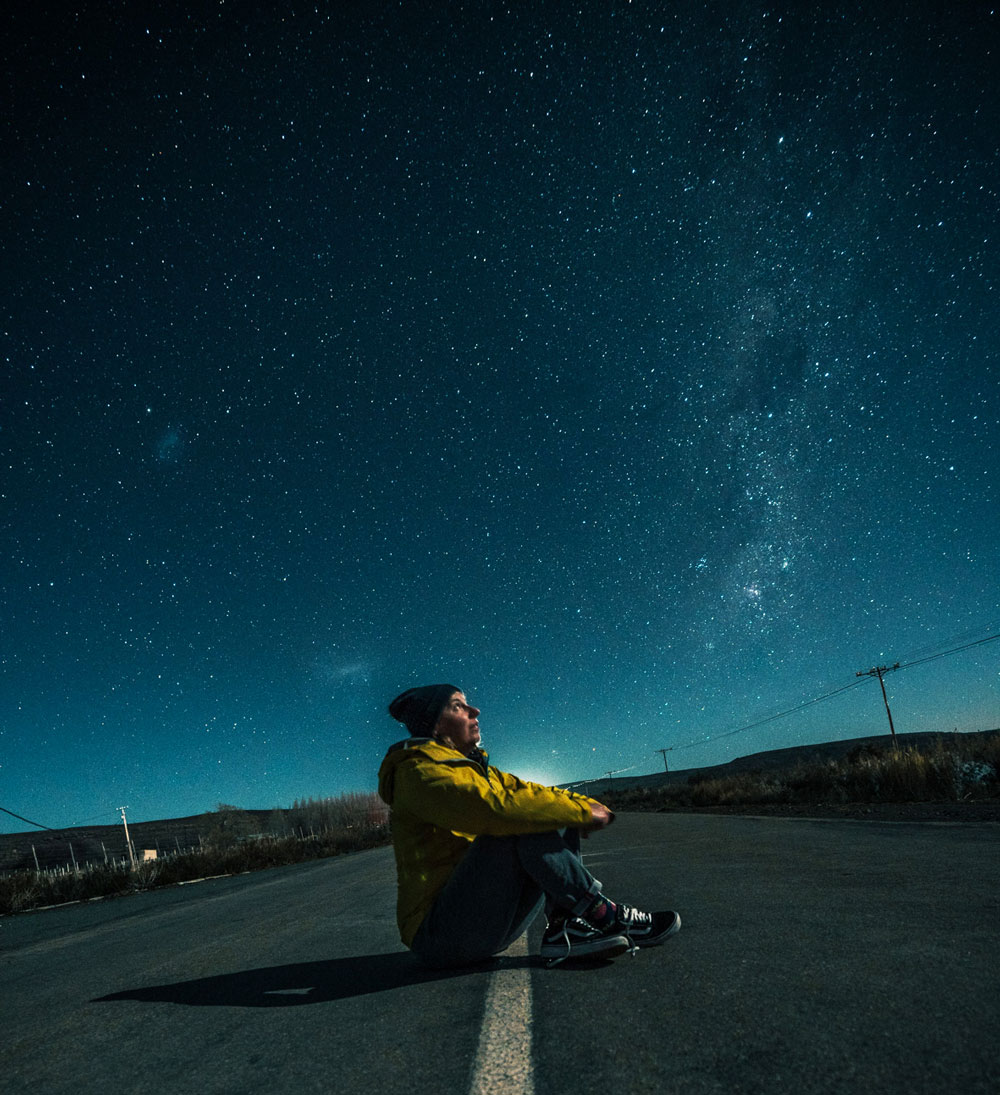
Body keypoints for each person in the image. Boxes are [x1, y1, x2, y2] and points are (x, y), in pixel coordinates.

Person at [377, 683, 680, 967]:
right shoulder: (418, 773)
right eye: (458, 706)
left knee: (549, 810)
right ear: (435, 724)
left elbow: (533, 792)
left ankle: (566, 928)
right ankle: (605, 914)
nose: (475, 712)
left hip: (483, 924)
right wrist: (576, 811)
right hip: (438, 935)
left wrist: (583, 806)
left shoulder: (480, 771)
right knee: (523, 819)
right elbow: (495, 810)